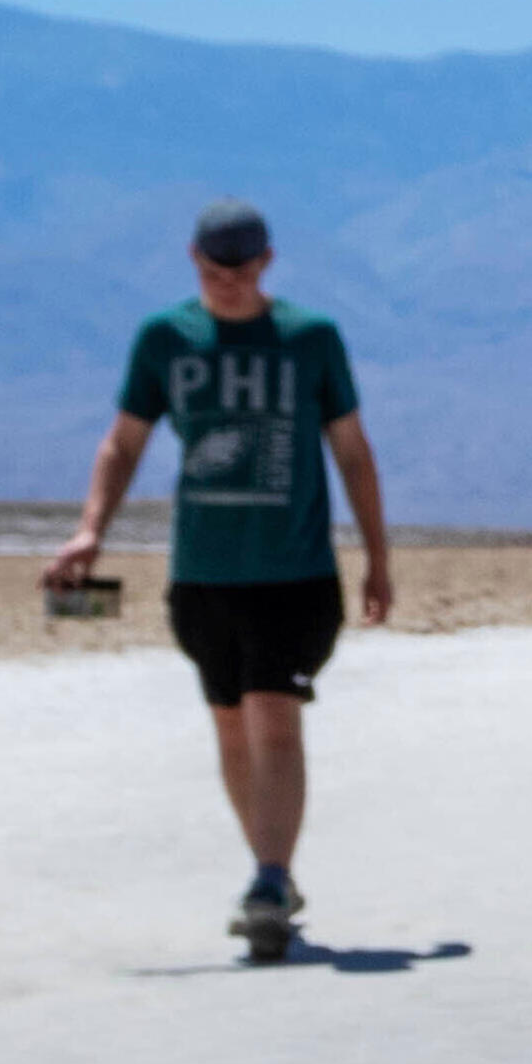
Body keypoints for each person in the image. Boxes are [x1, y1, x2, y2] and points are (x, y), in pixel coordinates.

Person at [44, 200, 393, 957]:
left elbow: (353, 452)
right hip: (203, 571)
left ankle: (269, 877)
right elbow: (123, 443)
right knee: (232, 721)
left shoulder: (310, 339)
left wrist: (378, 555)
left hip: (294, 572)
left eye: (240, 269)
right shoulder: (165, 339)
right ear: (192, 261)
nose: (228, 284)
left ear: (267, 261)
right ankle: (271, 870)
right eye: (212, 271)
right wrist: (89, 532)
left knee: (274, 711)